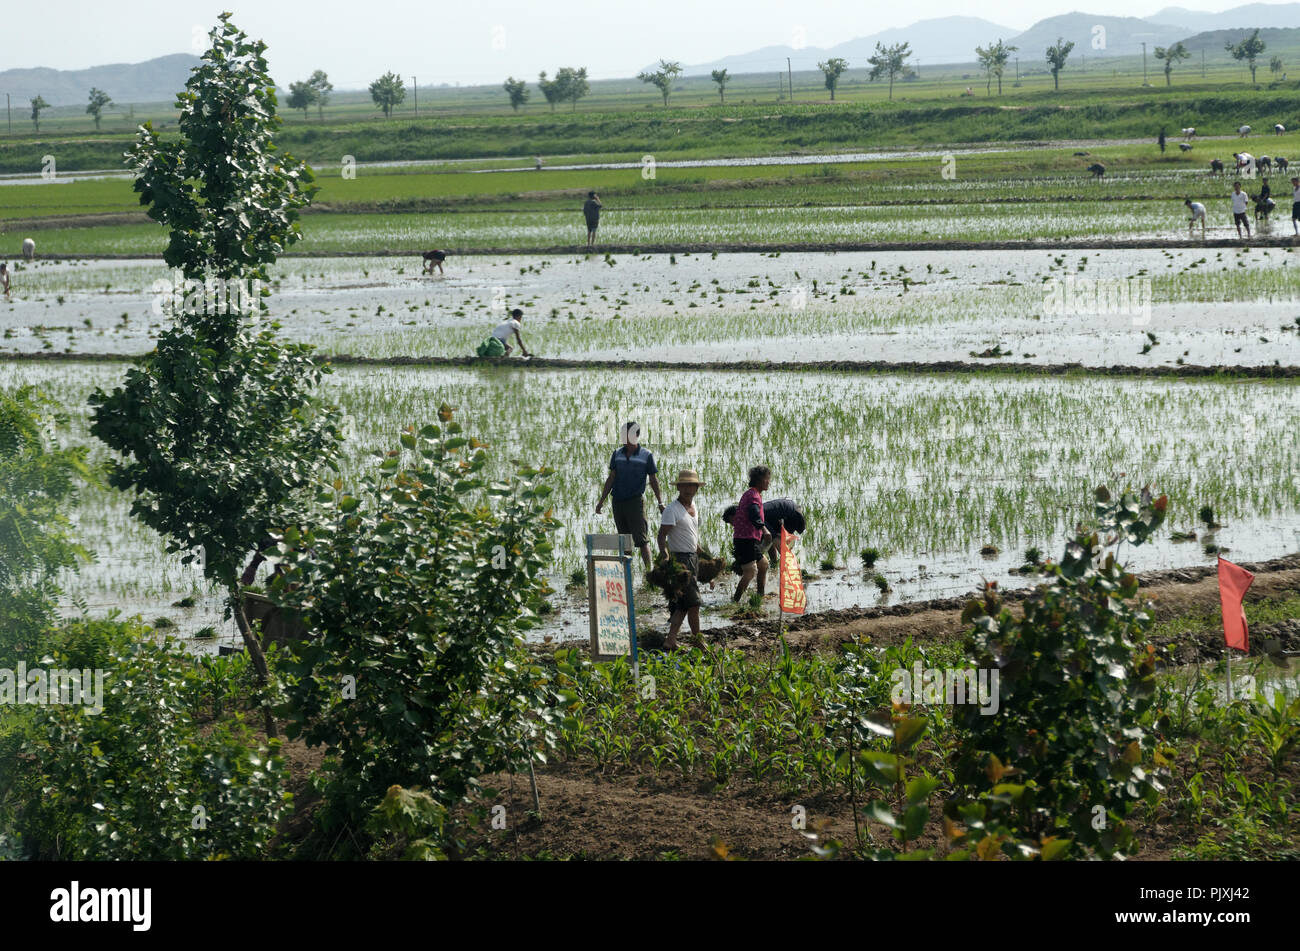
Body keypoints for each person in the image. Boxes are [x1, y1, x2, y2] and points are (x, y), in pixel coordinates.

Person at [595, 422, 664, 570]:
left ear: (636, 436)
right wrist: (601, 501)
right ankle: (627, 572)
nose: (624, 438)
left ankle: (648, 571)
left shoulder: (646, 455)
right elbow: (611, 478)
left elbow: (653, 480)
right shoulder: (617, 454)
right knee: (624, 540)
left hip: (635, 502)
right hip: (618, 501)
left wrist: (660, 502)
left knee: (641, 539)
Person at [657, 469, 708, 651]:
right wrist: (665, 555)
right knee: (694, 603)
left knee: (684, 605)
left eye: (692, 485)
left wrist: (705, 557)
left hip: (692, 558)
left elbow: (692, 537)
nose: (688, 489)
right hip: (681, 561)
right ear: (678, 487)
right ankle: (698, 641)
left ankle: (670, 640)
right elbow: (661, 536)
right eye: (684, 485)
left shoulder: (694, 507)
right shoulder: (672, 510)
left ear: (696, 488)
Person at [731, 465, 772, 602]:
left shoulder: (752, 493)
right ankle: (735, 600)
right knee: (750, 571)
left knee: (764, 564)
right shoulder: (753, 495)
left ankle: (760, 595)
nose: (768, 482)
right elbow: (754, 514)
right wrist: (764, 530)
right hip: (745, 539)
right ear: (759, 480)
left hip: (748, 539)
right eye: (767, 479)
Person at [722, 497, 805, 559]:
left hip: (792, 514)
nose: (734, 525)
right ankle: (775, 563)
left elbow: (772, 537)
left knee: (777, 540)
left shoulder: (752, 517)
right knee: (769, 537)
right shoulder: (751, 513)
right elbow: (768, 539)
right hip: (790, 510)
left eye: (732, 521)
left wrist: (758, 552)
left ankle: (790, 568)